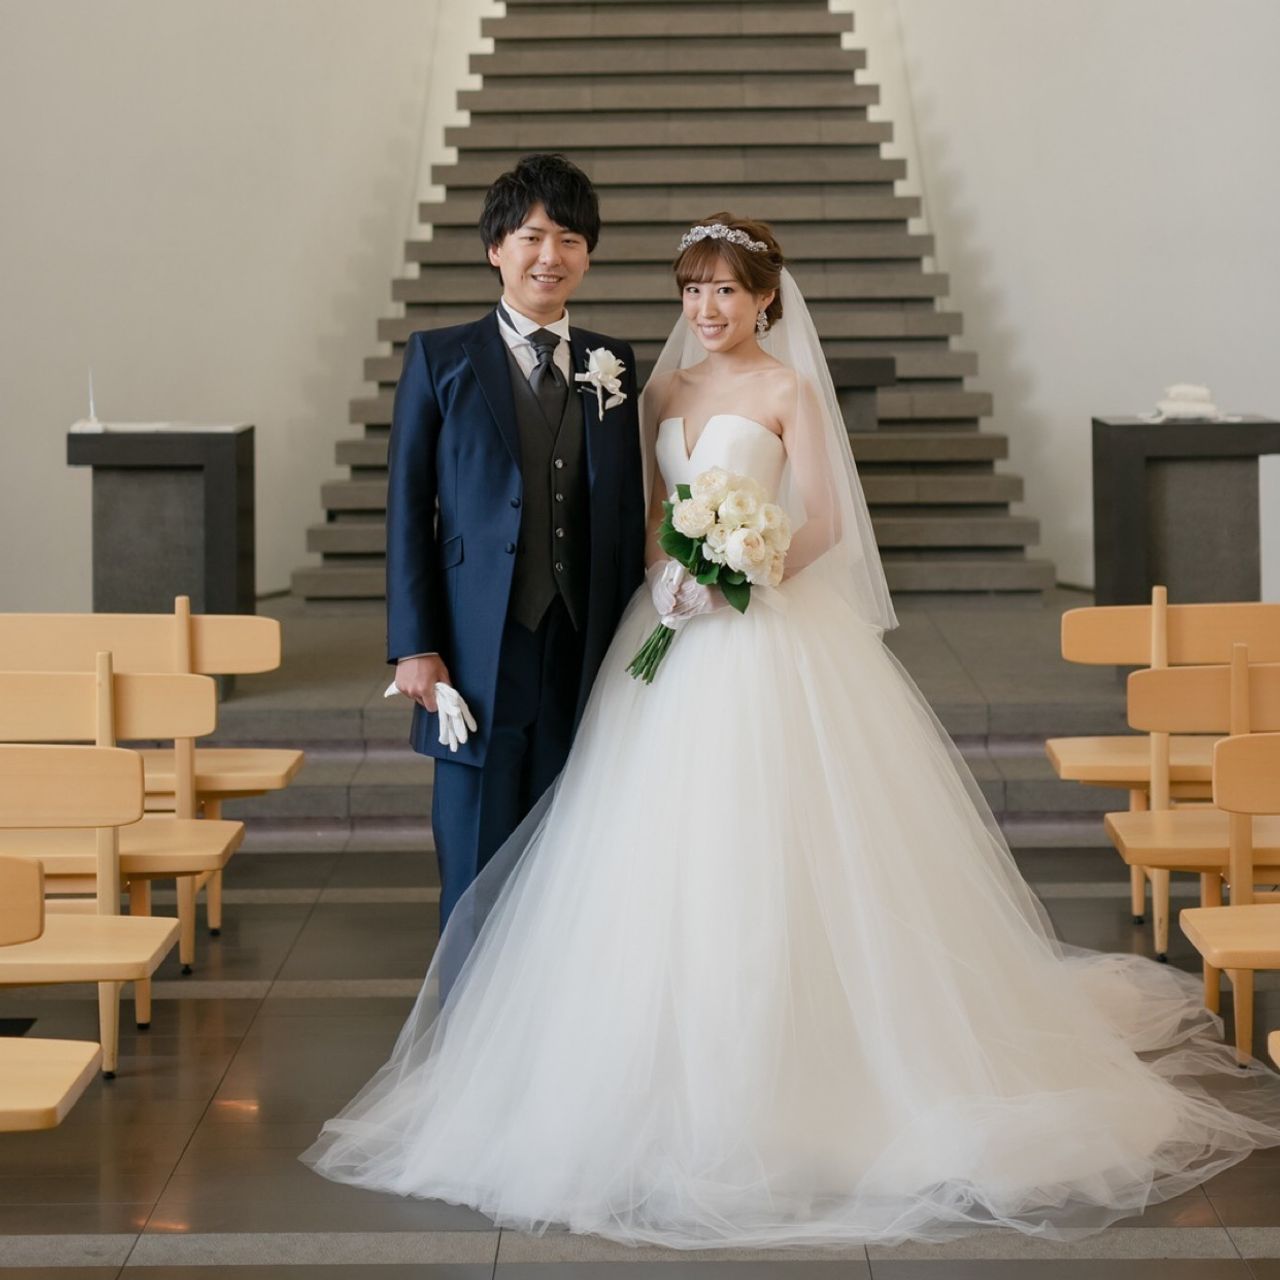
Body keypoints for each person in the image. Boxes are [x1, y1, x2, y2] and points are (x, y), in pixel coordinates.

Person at [306, 215, 1280, 1248]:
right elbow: (640, 508)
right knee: (651, 852)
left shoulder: (787, 391)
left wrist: (740, 567)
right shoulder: (656, 391)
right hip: (667, 633)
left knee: (775, 842)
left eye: (725, 290)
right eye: (692, 290)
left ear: (765, 298)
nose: (705, 309)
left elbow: (822, 520)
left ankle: (805, 1069)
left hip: (765, 630)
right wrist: (668, 569)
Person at [386, 153, 645, 926]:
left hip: (581, 646)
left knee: (570, 858)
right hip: (473, 649)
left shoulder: (613, 364)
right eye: (532, 237)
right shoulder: (440, 358)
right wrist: (415, 644)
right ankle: (468, 1003)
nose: (549, 256)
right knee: (473, 861)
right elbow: (408, 509)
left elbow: (623, 511)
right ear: (496, 248)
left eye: (569, 240)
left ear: (587, 256)